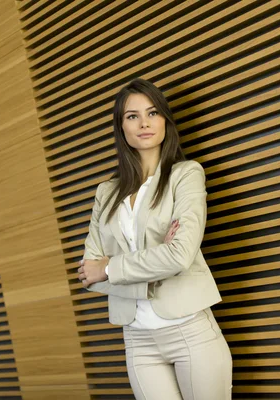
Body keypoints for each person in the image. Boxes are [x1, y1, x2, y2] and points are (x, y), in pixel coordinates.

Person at [77, 78, 232, 400]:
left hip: (190, 329)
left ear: (165, 120)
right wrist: (120, 268)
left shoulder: (185, 174)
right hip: (137, 338)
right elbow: (89, 274)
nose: (144, 123)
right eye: (132, 116)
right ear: (121, 127)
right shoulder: (106, 192)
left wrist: (111, 268)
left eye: (152, 113)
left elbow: (179, 255)